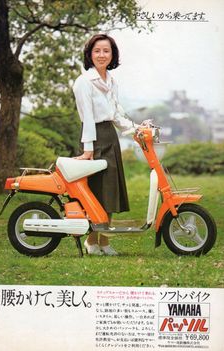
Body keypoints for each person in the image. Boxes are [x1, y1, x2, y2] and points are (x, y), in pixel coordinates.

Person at [73, 34, 136, 256]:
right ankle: (92, 242)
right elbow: (87, 118)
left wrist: (134, 129)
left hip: (110, 136)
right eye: (97, 51)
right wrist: (88, 149)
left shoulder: (111, 81)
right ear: (90, 54)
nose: (102, 55)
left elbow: (116, 113)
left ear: (112, 55)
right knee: (95, 193)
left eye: (106, 51)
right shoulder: (83, 82)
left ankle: (105, 242)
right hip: (93, 138)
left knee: (110, 192)